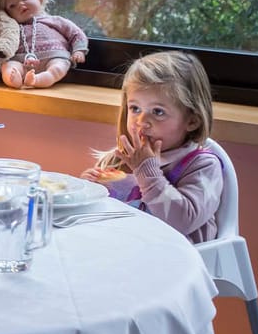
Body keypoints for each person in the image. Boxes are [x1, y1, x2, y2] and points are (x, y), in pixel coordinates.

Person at [81, 51, 222, 242]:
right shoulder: (119, 159)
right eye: (135, 108)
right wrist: (88, 191)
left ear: (192, 121)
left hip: (178, 262)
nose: (142, 121)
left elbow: (183, 220)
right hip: (127, 252)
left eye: (158, 111)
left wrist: (147, 172)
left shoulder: (203, 166)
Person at [0, 0, 88, 89]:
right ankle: (12, 78)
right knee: (7, 66)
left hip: (54, 55)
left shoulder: (53, 20)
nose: (20, 4)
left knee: (59, 66)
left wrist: (79, 50)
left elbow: (75, 33)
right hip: (21, 60)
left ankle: (42, 79)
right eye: (12, 6)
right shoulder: (12, 28)